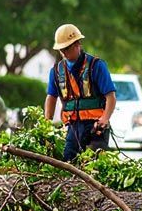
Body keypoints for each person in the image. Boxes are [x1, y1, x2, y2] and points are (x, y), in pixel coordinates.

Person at [44, 23, 116, 162]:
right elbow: (51, 97)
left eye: (67, 48)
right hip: (73, 126)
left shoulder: (96, 66)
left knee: (95, 165)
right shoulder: (56, 71)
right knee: (69, 162)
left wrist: (105, 119)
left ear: (78, 44)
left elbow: (111, 97)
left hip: (96, 127)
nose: (64, 52)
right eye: (61, 49)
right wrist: (46, 123)